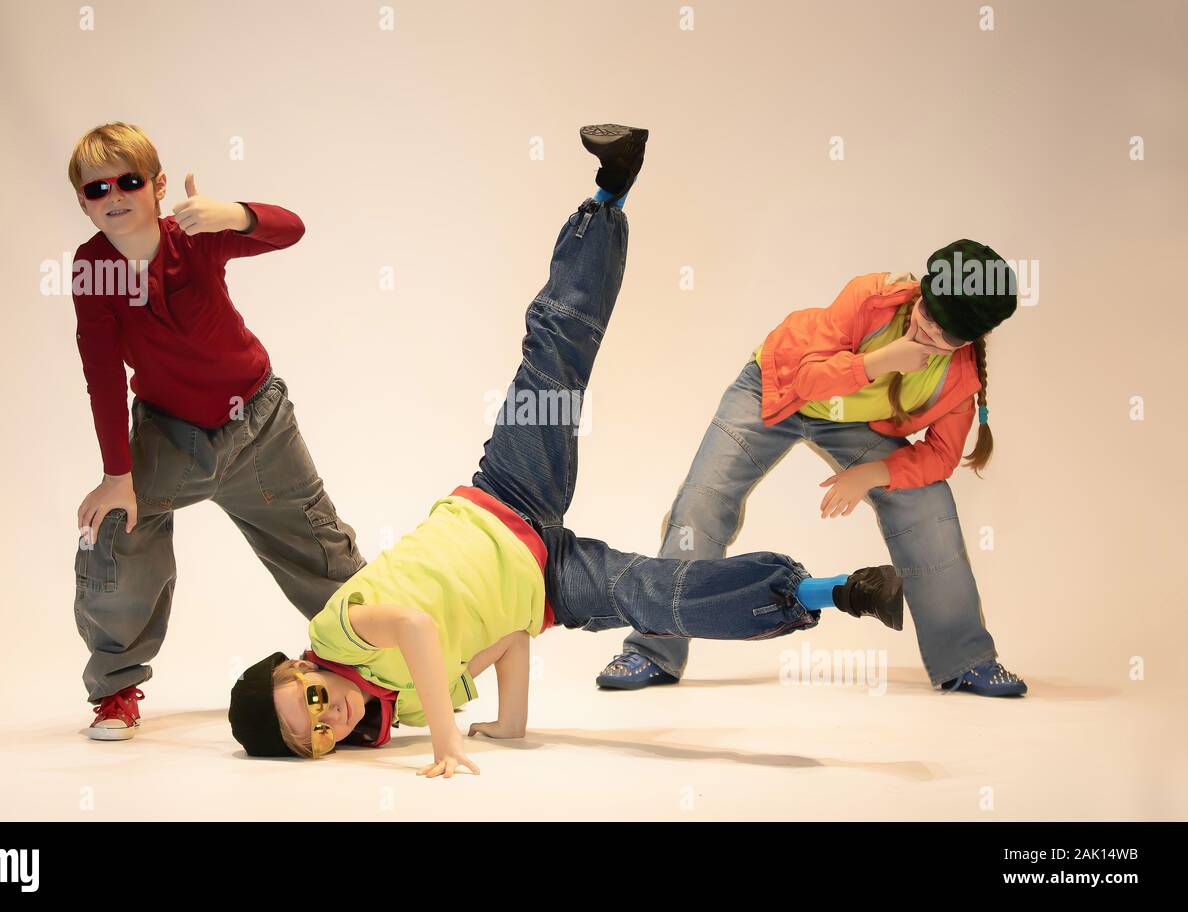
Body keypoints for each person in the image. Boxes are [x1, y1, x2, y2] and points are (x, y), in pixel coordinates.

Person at [227, 125, 904, 778]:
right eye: (314, 739)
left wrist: (445, 742)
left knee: (553, 359)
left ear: (298, 668)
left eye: (310, 704)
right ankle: (835, 591)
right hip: (549, 583)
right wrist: (510, 724)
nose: (329, 720)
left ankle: (608, 196)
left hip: (505, 498)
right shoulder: (397, 705)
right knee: (660, 598)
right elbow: (511, 642)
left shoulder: (339, 631)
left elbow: (414, 626)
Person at [595, 238, 1026, 697]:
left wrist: (871, 474)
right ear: (921, 291)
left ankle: (967, 659)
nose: (929, 334)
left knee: (927, 503)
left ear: (970, 341)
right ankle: (652, 650)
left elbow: (940, 457)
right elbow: (807, 378)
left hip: (850, 422)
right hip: (774, 392)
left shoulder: (957, 380)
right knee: (703, 503)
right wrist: (882, 361)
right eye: (928, 314)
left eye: (947, 335)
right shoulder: (871, 297)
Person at [69, 122, 364, 740]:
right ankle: (116, 692)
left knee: (322, 550)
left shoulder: (195, 238)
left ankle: (376, 669)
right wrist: (117, 476)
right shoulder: (92, 268)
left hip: (258, 425)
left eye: (128, 181)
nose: (114, 196)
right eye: (97, 190)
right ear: (83, 202)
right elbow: (99, 370)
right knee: (113, 532)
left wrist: (232, 214)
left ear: (157, 186)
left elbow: (293, 229)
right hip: (170, 437)